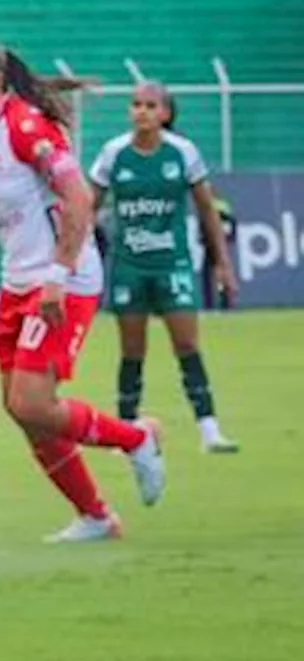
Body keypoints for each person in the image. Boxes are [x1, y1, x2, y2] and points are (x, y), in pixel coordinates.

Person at [0, 39, 165, 543]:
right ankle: (97, 516)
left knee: (33, 403)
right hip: (18, 283)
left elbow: (78, 196)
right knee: (22, 410)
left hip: (64, 280)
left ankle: (136, 437)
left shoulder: (26, 126)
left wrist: (58, 273)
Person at [88, 81, 239, 453]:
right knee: (132, 351)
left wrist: (222, 262)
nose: (141, 111)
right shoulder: (113, 154)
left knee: (187, 344)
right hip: (129, 267)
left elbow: (207, 209)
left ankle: (209, 431)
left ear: (165, 113)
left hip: (172, 264)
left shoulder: (183, 153)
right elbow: (88, 206)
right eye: (136, 104)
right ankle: (124, 431)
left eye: (150, 105)